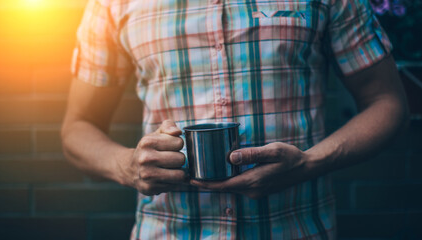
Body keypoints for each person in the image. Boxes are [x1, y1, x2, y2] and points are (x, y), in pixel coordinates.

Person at [61, 0, 408, 238]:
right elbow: (78, 127)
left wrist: (309, 163)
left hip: (298, 231)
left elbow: (387, 101)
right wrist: (127, 165)